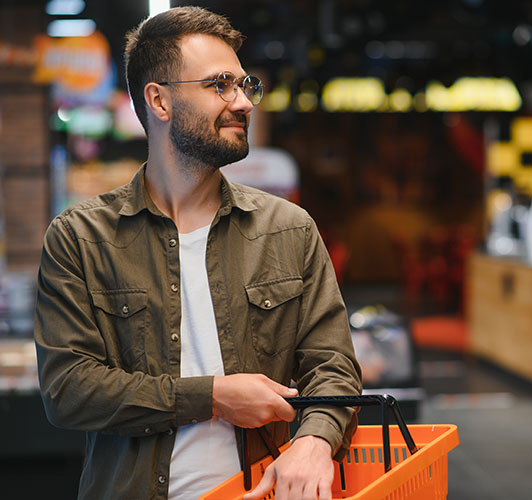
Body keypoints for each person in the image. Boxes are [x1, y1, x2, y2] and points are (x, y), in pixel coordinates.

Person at [33, 6, 362, 500]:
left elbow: (333, 366)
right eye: (219, 85)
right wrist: (211, 398)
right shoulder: (80, 238)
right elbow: (69, 389)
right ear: (159, 101)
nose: (244, 103)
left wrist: (315, 440)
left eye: (245, 85)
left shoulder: (287, 229)